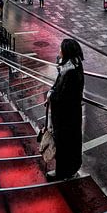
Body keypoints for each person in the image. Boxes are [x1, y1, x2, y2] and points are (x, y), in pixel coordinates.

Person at [47, 39, 85, 181]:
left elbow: (63, 96)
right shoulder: (71, 66)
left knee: (65, 144)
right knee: (69, 143)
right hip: (70, 116)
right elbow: (58, 84)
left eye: (61, 49)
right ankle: (69, 170)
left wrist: (51, 95)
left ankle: (63, 173)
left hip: (66, 117)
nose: (59, 51)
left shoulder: (71, 72)